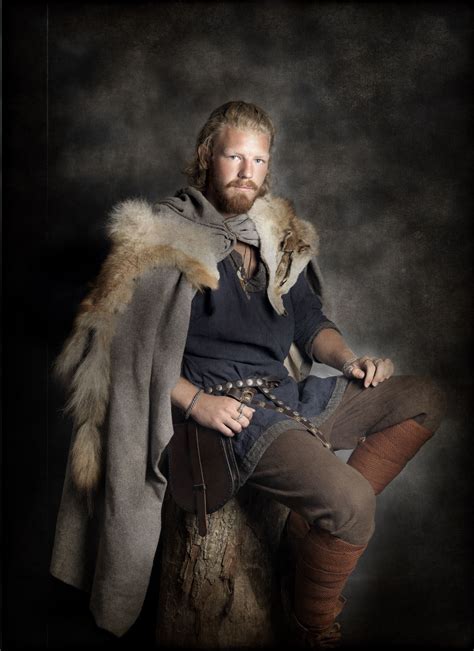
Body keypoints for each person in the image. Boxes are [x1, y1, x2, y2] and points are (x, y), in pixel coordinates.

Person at [51, 101, 447, 647]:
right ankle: (313, 627)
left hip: (289, 394)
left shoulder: (273, 235)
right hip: (233, 417)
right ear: (205, 157)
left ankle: (310, 534)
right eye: (234, 155)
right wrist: (194, 402)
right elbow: (129, 353)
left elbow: (309, 322)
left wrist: (351, 360)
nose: (246, 171)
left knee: (426, 396)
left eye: (258, 161)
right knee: (354, 507)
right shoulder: (163, 237)